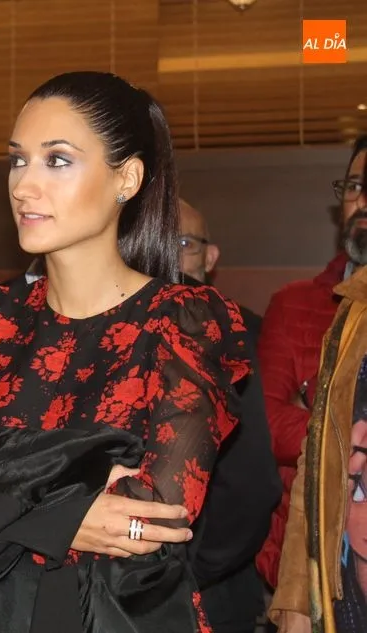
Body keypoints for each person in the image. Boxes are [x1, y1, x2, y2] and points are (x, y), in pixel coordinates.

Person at [0, 71, 251, 632]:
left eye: (56, 160)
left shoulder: (182, 322)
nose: (23, 185)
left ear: (127, 178)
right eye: (18, 160)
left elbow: (154, 517)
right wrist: (72, 509)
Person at [257, 135, 367, 592]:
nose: (362, 201)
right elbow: (264, 422)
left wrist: (315, 412)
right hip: (310, 564)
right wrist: (350, 431)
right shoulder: (296, 304)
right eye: (355, 186)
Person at [179, 200, 280, 632]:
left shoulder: (245, 332)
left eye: (183, 243)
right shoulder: (122, 327)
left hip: (214, 583)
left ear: (210, 257)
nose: (169, 254)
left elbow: (252, 481)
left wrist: (192, 569)